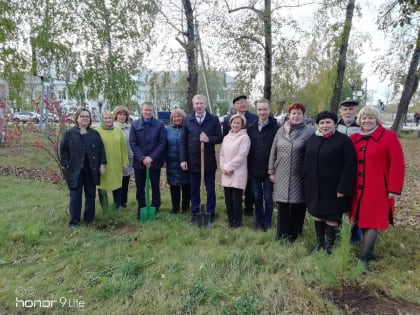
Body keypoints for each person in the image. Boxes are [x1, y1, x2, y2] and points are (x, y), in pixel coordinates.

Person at [349, 106, 405, 267]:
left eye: (370, 118)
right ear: (359, 120)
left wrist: (394, 188)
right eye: (364, 118)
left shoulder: (389, 137)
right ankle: (370, 251)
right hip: (357, 189)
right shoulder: (354, 138)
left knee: (372, 222)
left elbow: (397, 164)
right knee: (361, 219)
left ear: (377, 120)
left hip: (378, 189)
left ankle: (364, 259)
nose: (367, 121)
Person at [304, 111, 357, 255]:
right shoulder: (312, 139)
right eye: (321, 123)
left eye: (328, 122)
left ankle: (329, 246)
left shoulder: (343, 141)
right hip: (314, 186)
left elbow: (349, 166)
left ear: (334, 124)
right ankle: (319, 243)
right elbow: (306, 161)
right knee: (317, 213)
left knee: (331, 216)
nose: (325, 125)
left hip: (334, 187)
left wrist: (343, 188)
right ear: (317, 125)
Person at [268, 102, 314, 242]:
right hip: (281, 173)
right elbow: (273, 151)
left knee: (298, 205)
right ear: (289, 115)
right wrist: (271, 171)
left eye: (299, 113)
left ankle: (294, 235)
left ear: (303, 116)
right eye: (293, 113)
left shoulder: (310, 132)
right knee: (282, 206)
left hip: (299, 175)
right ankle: (281, 234)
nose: (296, 116)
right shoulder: (281, 130)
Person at [180, 94, 222, 223]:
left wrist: (209, 139)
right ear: (193, 105)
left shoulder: (213, 119)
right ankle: (196, 211)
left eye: (201, 103)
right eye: (196, 103)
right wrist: (183, 159)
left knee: (210, 188)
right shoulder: (188, 120)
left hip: (208, 161)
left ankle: (210, 211)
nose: (199, 106)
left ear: (205, 105)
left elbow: (220, 138)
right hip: (193, 161)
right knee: (194, 189)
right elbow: (183, 140)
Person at [60, 108, 106, 226]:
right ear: (77, 118)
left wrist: (102, 164)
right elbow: (63, 150)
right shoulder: (69, 133)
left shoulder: (94, 134)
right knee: (75, 195)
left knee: (90, 194)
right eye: (82, 116)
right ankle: (74, 221)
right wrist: (65, 165)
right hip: (75, 170)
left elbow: (101, 150)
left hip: (91, 169)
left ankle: (88, 220)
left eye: (87, 116)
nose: (85, 118)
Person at [130, 101, 166, 218]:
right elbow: (133, 143)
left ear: (153, 111)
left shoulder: (159, 125)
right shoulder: (135, 125)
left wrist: (151, 158)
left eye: (150, 110)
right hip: (139, 162)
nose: (148, 112)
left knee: (155, 186)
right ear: (142, 110)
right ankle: (141, 208)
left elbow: (162, 143)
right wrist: (142, 158)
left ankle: (155, 208)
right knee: (140, 187)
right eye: (146, 110)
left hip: (154, 162)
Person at [222, 95, 258, 216]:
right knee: (233, 186)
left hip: (250, 155)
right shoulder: (228, 119)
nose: (242, 104)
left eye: (244, 102)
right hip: (233, 156)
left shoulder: (254, 118)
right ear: (234, 106)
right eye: (239, 103)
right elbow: (225, 139)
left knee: (249, 185)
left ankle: (248, 207)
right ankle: (234, 210)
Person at [247, 99, 279, 231]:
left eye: (265, 109)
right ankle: (259, 221)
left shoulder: (276, 128)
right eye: (259, 109)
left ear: (269, 110)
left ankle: (267, 222)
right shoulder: (251, 127)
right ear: (256, 110)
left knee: (268, 197)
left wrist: (274, 169)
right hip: (254, 168)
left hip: (269, 169)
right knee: (257, 196)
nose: (262, 112)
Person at [336, 98, 363, 244]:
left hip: (358, 171)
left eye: (351, 109)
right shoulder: (335, 126)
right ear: (341, 111)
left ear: (356, 111)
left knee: (356, 203)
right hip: (337, 172)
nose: (348, 112)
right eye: (345, 109)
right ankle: (337, 231)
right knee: (337, 203)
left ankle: (355, 234)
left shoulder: (362, 127)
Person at [220, 114, 251, 228]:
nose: (236, 125)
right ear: (230, 123)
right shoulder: (226, 137)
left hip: (237, 172)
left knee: (236, 199)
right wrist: (224, 168)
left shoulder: (244, 138)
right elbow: (221, 154)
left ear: (242, 125)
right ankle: (230, 220)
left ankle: (237, 222)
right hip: (226, 172)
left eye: (238, 123)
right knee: (228, 199)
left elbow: (242, 156)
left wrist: (229, 167)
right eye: (234, 122)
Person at [96, 110, 129, 211]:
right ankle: (105, 208)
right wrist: (98, 165)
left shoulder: (118, 130)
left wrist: (125, 162)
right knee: (102, 186)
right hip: (103, 164)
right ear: (102, 119)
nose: (108, 120)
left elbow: (123, 148)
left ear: (113, 118)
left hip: (116, 164)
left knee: (117, 185)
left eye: (110, 118)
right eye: (105, 118)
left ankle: (117, 207)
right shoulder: (97, 131)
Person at [165, 108, 191, 214]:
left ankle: (185, 207)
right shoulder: (167, 130)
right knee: (174, 185)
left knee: (186, 185)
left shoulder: (187, 129)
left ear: (183, 117)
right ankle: (175, 207)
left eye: (179, 116)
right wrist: (164, 159)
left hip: (186, 161)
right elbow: (164, 145)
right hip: (171, 162)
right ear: (172, 118)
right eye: (174, 117)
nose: (177, 118)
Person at [113, 106, 134, 208]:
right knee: (117, 181)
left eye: (124, 115)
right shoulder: (113, 127)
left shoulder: (130, 128)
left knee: (125, 180)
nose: (122, 116)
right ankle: (116, 202)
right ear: (116, 116)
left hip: (129, 157)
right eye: (120, 114)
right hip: (117, 158)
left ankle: (123, 201)